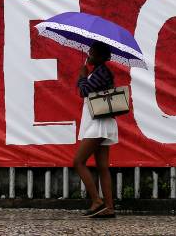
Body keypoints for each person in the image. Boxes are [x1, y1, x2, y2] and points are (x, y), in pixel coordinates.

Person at [72, 42, 117, 219]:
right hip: (99, 122)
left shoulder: (102, 72)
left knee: (78, 162)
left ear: (99, 56)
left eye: (91, 52)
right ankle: (109, 208)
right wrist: (85, 76)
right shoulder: (98, 71)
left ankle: (97, 201)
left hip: (98, 124)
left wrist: (82, 76)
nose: (88, 54)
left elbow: (84, 91)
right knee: (102, 167)